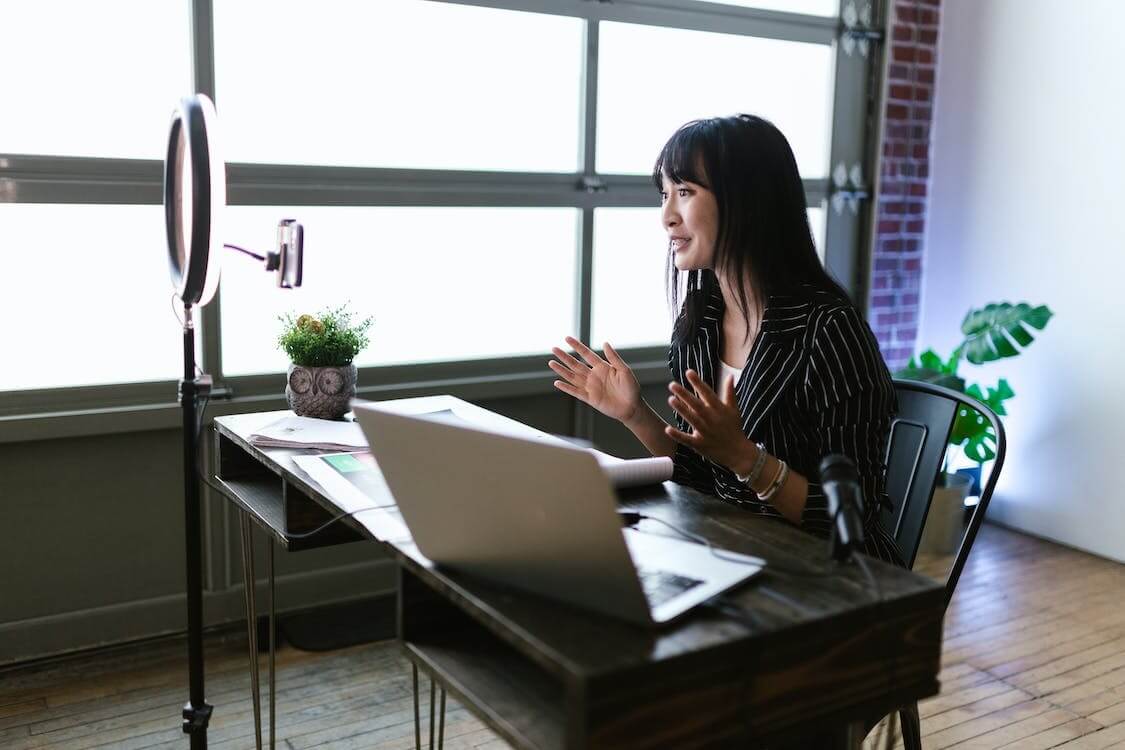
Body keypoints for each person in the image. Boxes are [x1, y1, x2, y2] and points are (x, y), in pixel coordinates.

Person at [548, 114, 903, 566]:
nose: (667, 217)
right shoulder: (699, 321)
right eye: (665, 194)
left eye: (685, 192)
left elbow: (851, 517)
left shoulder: (829, 330)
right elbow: (701, 475)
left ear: (747, 202)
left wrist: (745, 458)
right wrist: (635, 414)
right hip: (735, 553)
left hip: (826, 577)